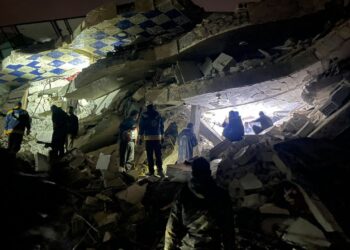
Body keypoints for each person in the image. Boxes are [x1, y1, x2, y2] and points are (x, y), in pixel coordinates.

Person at [164, 157, 234, 250]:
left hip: (189, 246)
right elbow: (228, 230)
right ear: (209, 172)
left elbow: (172, 228)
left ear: (193, 173)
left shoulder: (183, 194)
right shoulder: (221, 195)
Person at [139, 104, 165, 177]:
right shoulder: (158, 115)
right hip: (157, 138)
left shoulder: (144, 115)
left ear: (147, 108)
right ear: (154, 108)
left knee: (149, 155)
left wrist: (140, 138)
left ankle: (151, 172)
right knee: (158, 154)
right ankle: (160, 170)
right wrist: (162, 137)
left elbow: (141, 127)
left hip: (149, 138)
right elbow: (162, 126)